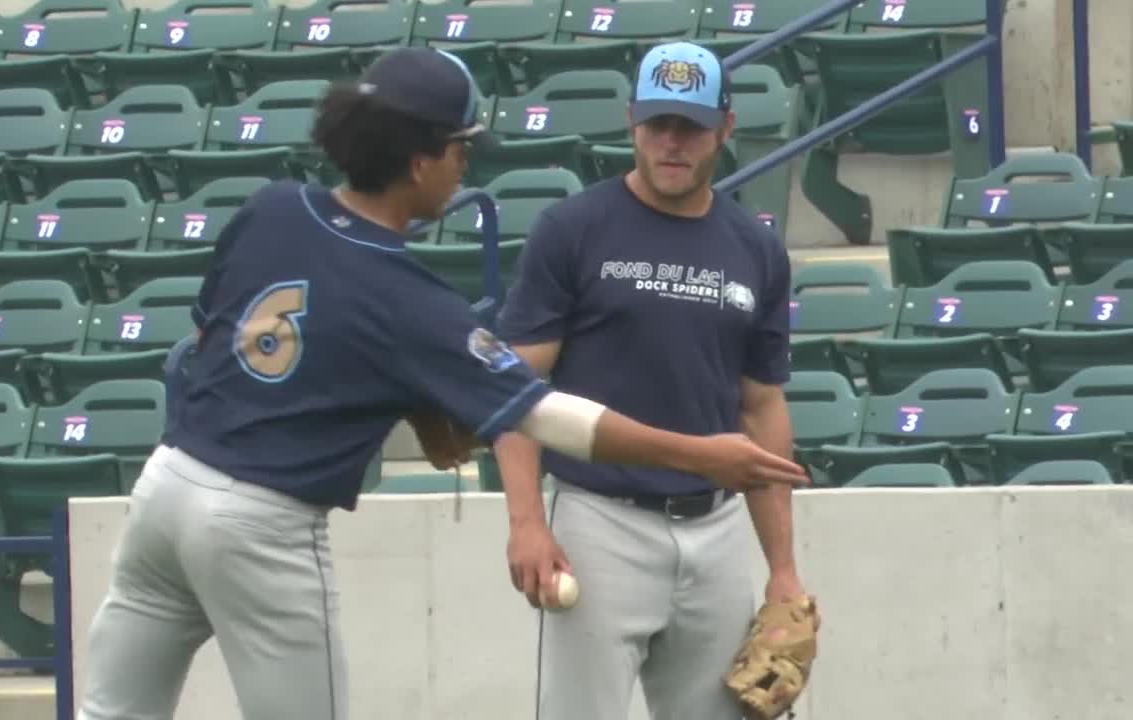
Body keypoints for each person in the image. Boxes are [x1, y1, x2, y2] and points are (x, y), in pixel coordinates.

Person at [73, 46, 807, 720]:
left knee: (112, 711)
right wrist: (702, 456)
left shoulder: (271, 207)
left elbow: (211, 343)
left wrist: (404, 392)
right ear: (421, 160)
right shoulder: (413, 300)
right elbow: (548, 416)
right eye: (460, 148)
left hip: (167, 488)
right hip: (262, 524)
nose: (466, 166)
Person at [494, 41, 811, 720]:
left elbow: (761, 408)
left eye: (690, 127)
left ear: (725, 128)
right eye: (658, 123)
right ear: (631, 118)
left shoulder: (755, 248)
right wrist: (525, 521)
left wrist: (782, 568)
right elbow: (516, 389)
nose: (672, 143)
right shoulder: (573, 228)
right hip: (599, 521)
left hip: (716, 526)